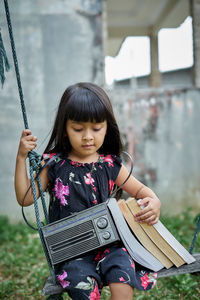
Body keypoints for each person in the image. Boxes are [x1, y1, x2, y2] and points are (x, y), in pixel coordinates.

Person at [15, 82, 161, 300]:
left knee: (122, 282)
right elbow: (25, 198)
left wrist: (154, 201)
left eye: (96, 128)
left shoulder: (110, 165)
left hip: (110, 245)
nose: (88, 137)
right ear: (65, 128)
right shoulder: (54, 165)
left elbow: (143, 192)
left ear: (106, 127)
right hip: (72, 252)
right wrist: (20, 158)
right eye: (78, 129)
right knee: (83, 288)